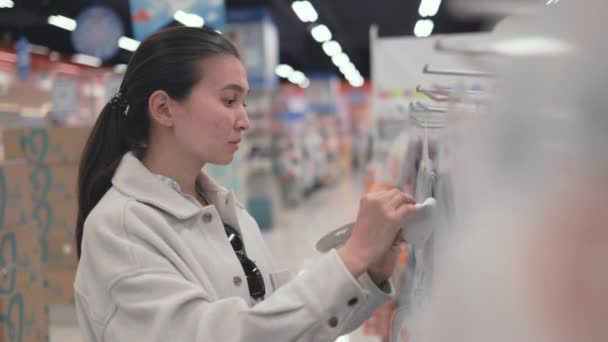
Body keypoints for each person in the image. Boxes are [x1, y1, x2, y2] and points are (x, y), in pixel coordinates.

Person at [74, 26, 416, 342]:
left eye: (244, 102)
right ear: (164, 108)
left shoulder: (226, 211)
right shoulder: (119, 229)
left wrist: (369, 273)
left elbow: (281, 321)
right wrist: (351, 257)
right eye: (229, 101)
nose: (245, 120)